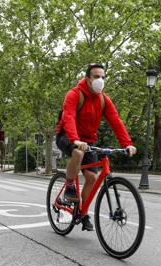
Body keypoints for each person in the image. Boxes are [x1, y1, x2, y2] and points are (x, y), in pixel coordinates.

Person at [56, 63, 137, 231]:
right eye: (96, 76)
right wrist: (75, 140)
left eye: (103, 77)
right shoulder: (74, 94)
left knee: (92, 178)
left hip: (88, 141)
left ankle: (83, 213)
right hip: (67, 135)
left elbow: (116, 121)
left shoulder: (103, 99)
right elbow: (69, 117)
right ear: (87, 79)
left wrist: (127, 143)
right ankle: (69, 185)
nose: (100, 80)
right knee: (77, 153)